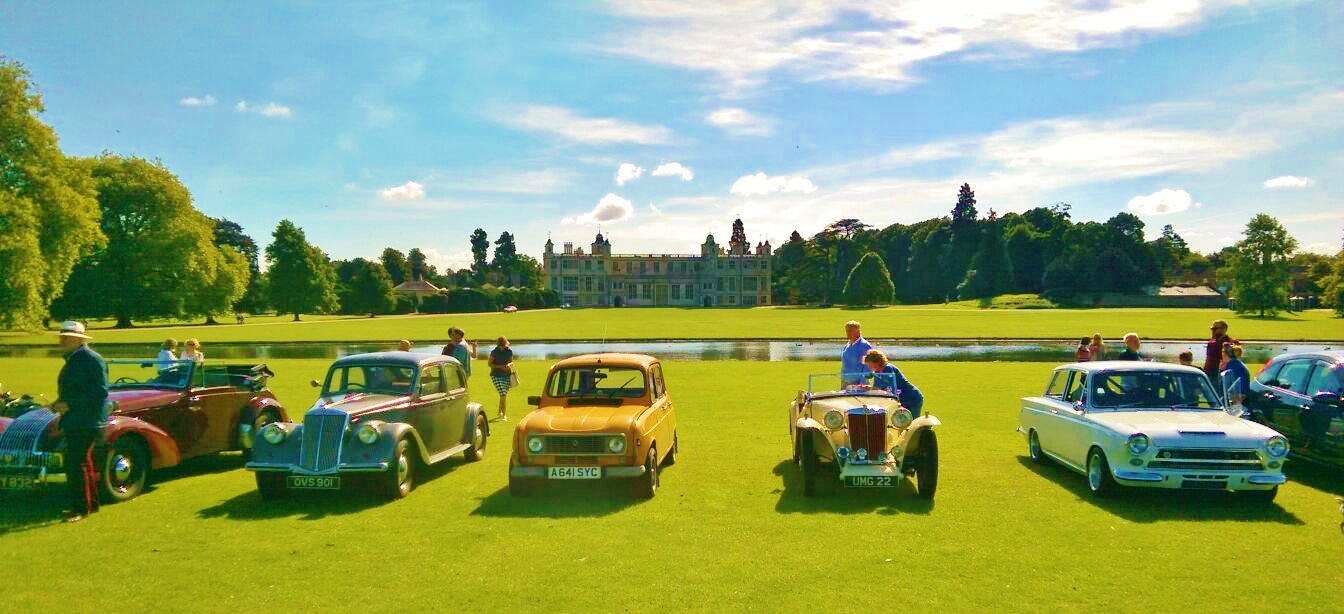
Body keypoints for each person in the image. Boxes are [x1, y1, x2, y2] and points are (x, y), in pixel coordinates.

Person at [51, 321, 109, 523]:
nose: (61, 341)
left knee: (76, 462)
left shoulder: (90, 359)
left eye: (65, 338)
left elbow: (100, 391)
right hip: (78, 418)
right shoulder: (76, 358)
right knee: (83, 461)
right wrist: (59, 403)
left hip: (86, 419)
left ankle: (81, 509)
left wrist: (69, 404)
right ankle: (90, 504)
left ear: (77, 339)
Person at [863, 349, 925, 417]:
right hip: (900, 399)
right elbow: (877, 389)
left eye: (870, 365)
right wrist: (868, 388)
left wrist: (872, 389)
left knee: (910, 421)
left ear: (878, 362)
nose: (869, 368)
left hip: (911, 398)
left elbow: (889, 388)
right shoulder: (877, 372)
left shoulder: (888, 368)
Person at [488, 337, 513, 421]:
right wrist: (501, 367)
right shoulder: (494, 352)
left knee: (503, 395)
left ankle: (499, 412)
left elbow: (511, 361)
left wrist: (508, 365)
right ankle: (504, 415)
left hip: (507, 375)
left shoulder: (509, 351)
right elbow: (489, 364)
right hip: (496, 375)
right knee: (503, 394)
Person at [841, 320, 873, 385]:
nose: (848, 333)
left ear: (858, 331)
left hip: (858, 384)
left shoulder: (864, 346)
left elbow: (867, 367)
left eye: (850, 331)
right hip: (845, 382)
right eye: (847, 331)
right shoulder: (848, 345)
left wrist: (861, 383)